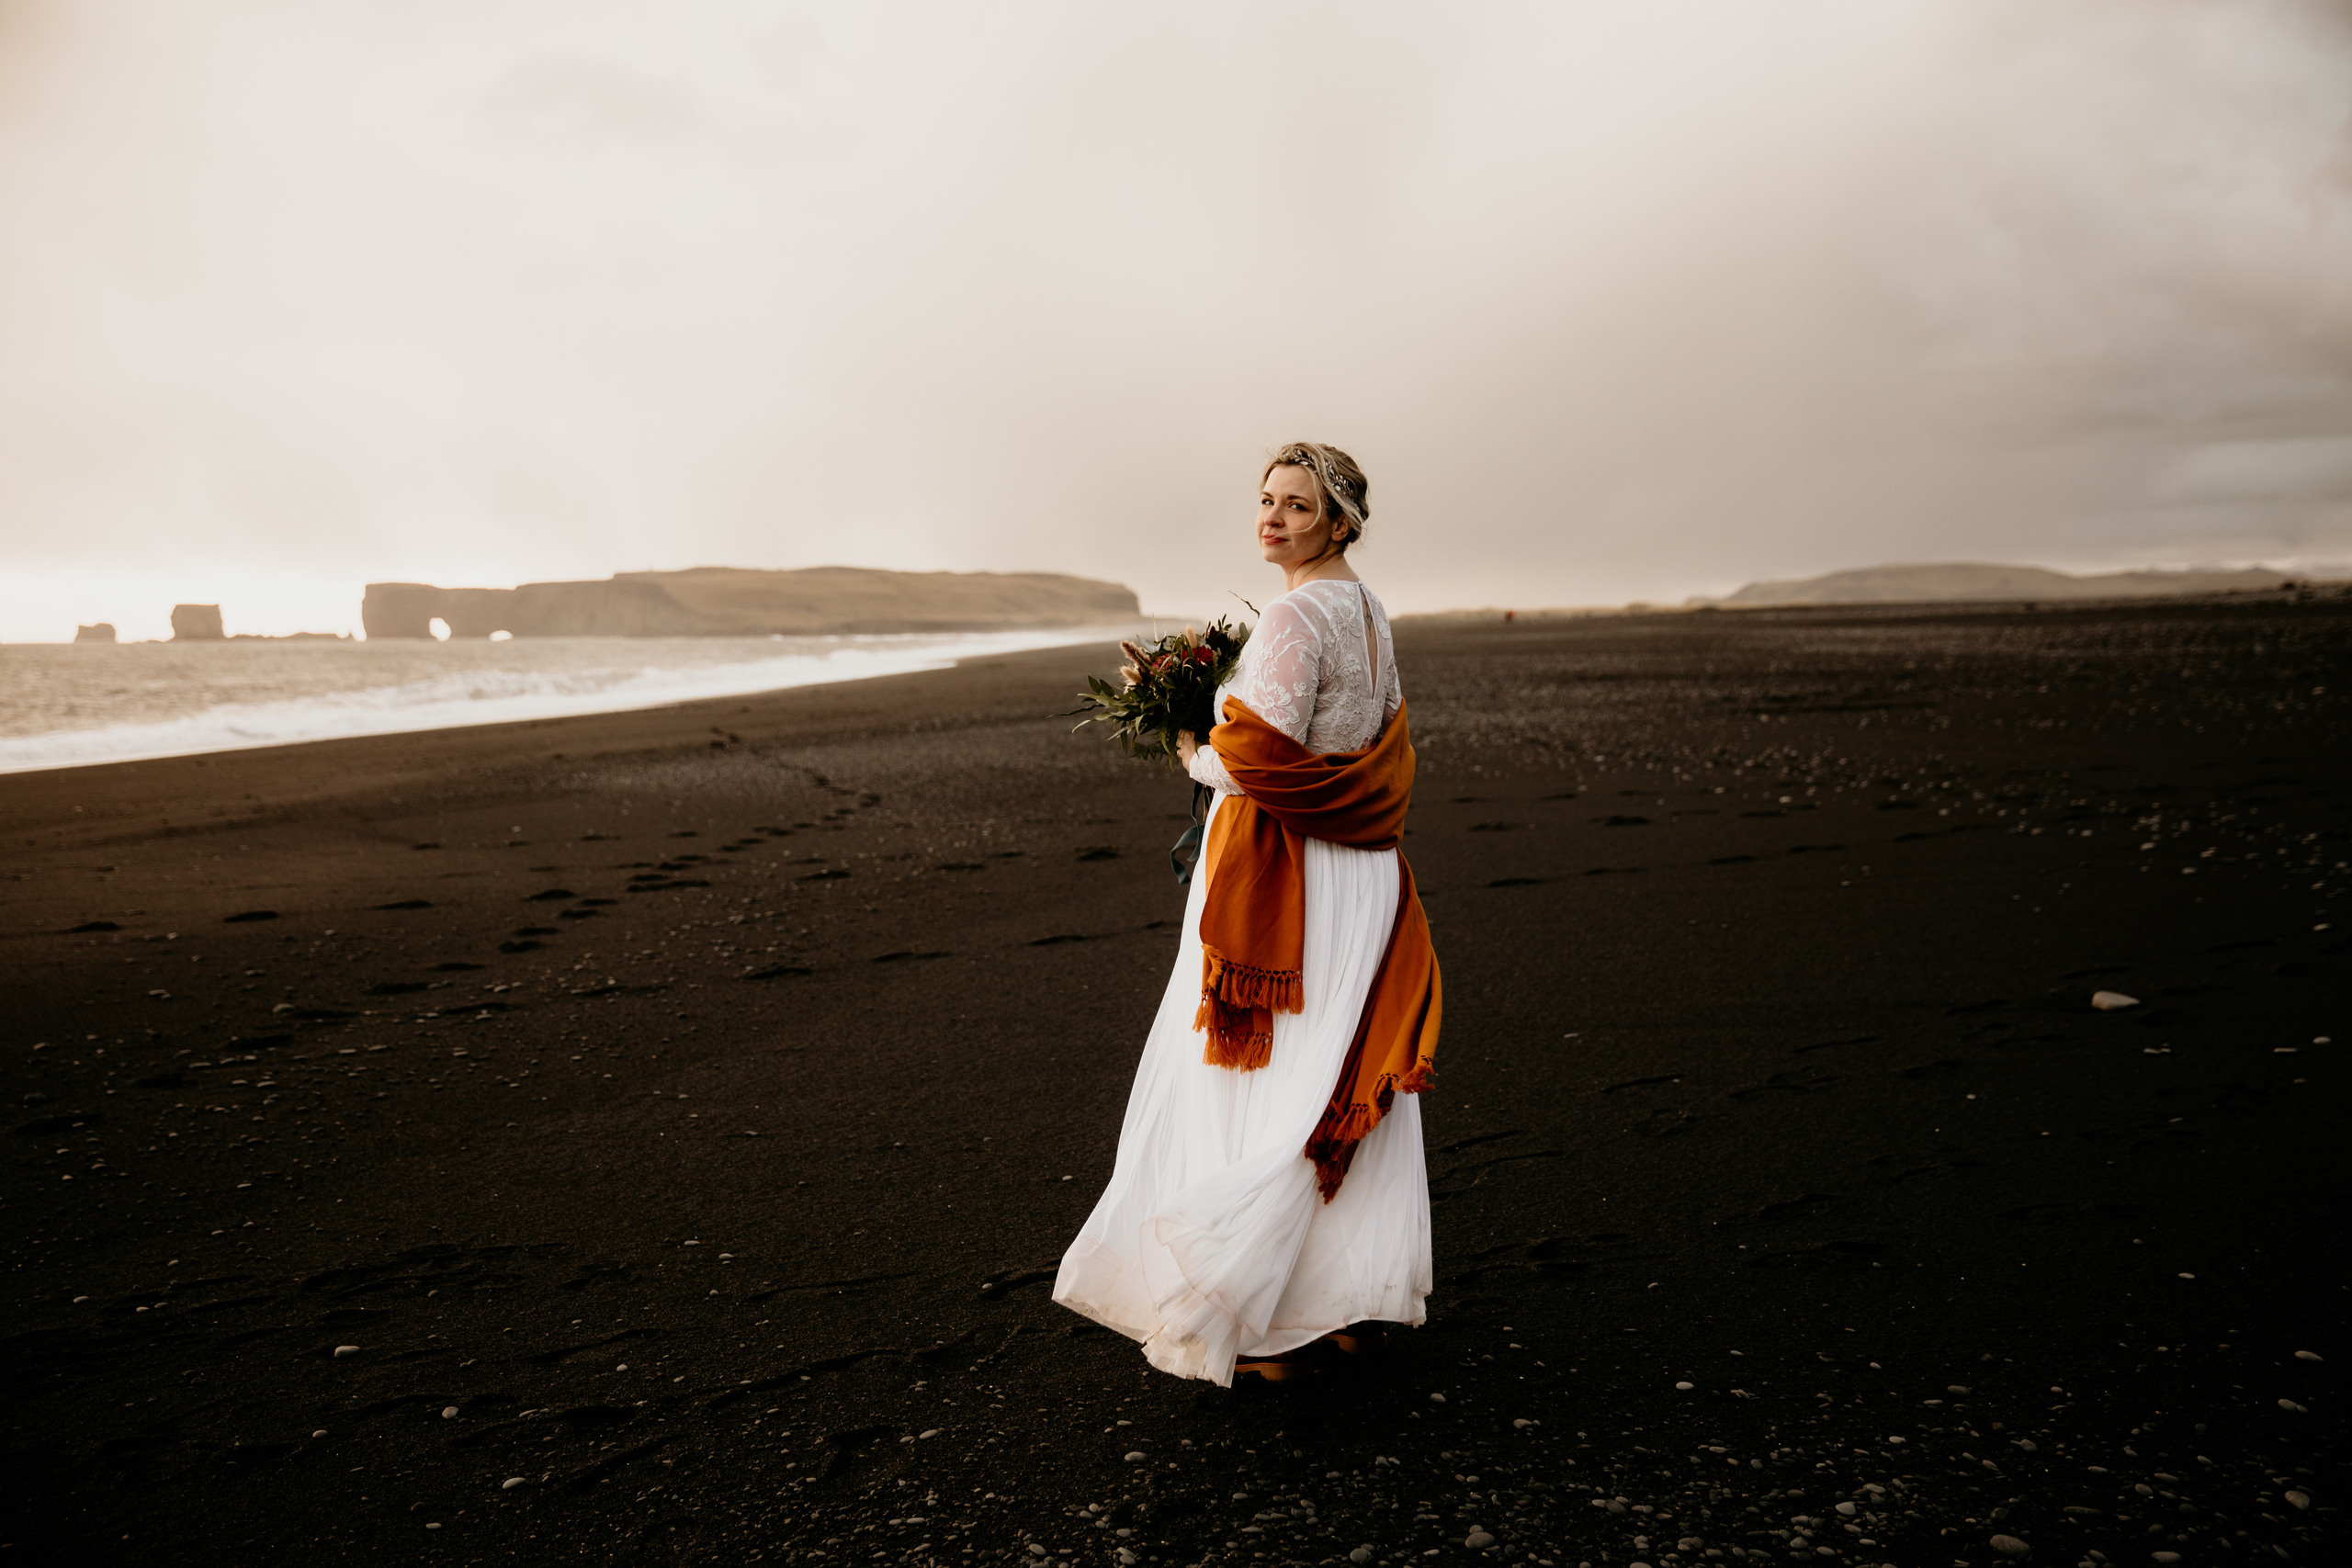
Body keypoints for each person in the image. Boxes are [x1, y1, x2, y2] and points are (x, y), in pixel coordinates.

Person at [1052, 442, 1442, 1386]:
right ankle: (1342, 1304)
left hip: (1290, 879)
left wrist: (1190, 745)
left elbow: (1256, 759)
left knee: (1266, 1084)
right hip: (1364, 873)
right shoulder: (1369, 610)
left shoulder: (1300, 615)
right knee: (1329, 1075)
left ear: (1338, 520)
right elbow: (1363, 739)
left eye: (1297, 507)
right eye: (1265, 501)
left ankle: (1263, 1318)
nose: (1272, 519)